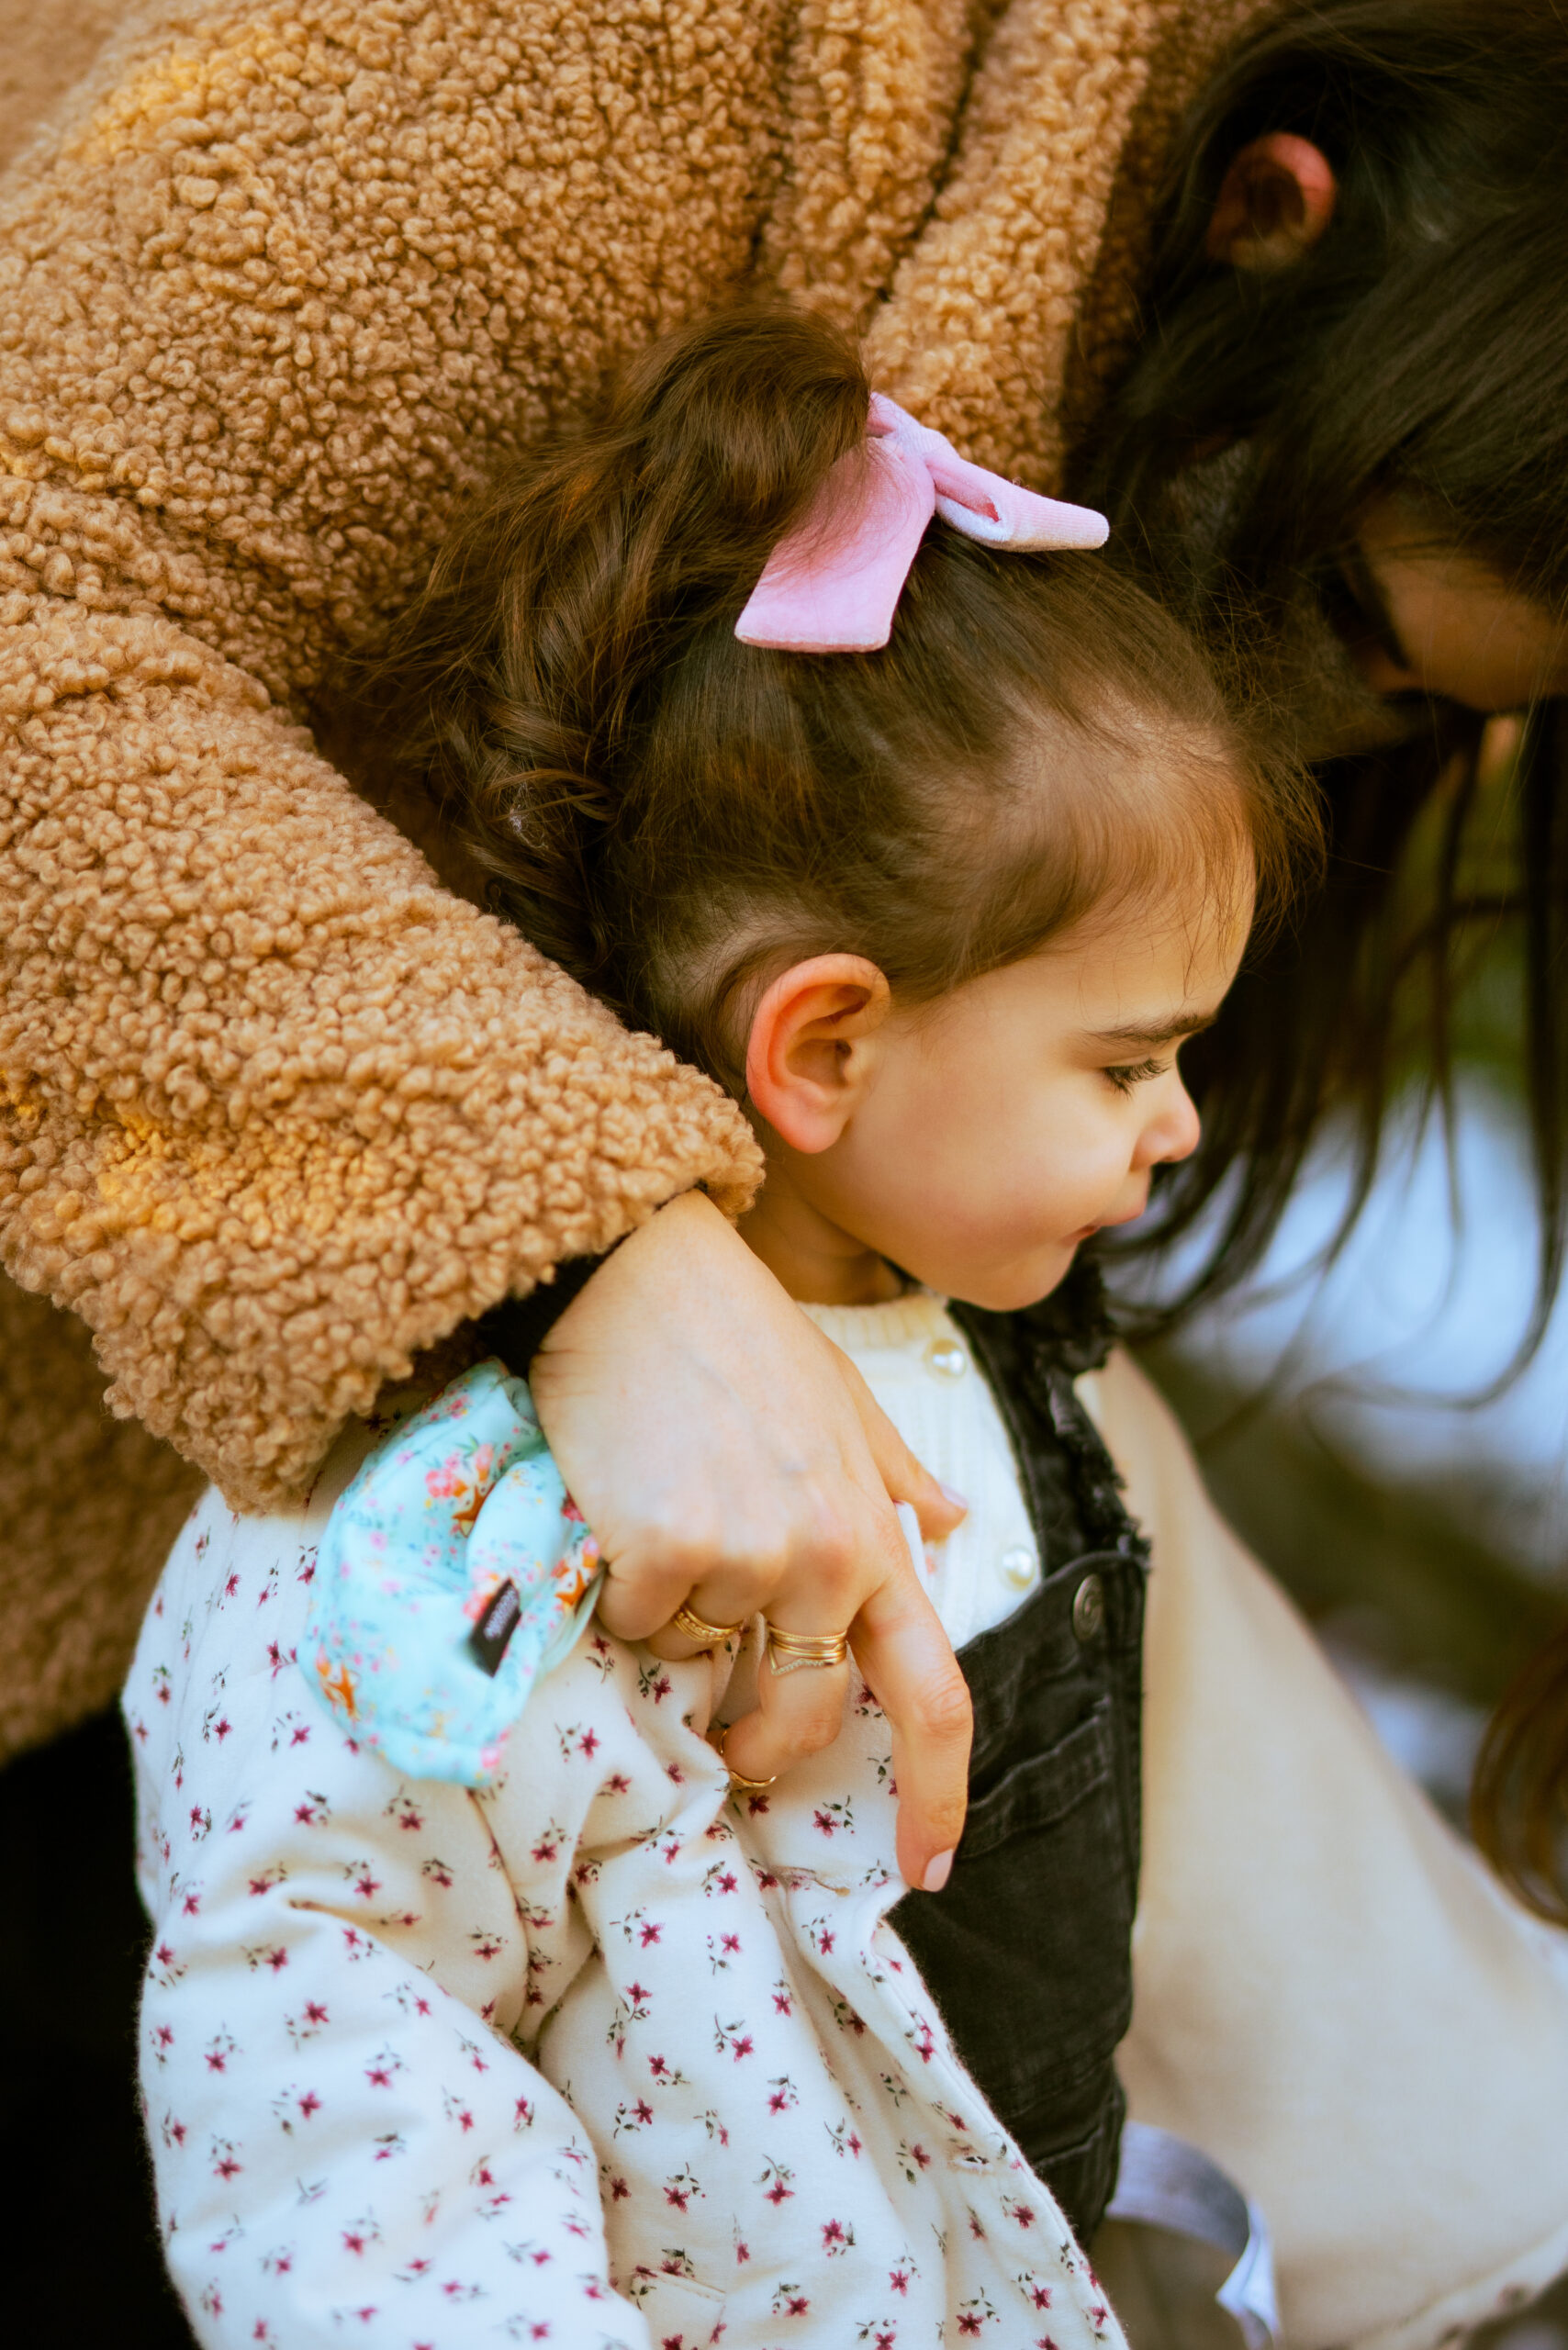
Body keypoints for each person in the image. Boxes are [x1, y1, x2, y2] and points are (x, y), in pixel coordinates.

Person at [126, 302, 1314, 2349]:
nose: (1180, 1125)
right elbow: (325, 2037)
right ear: (824, 1043)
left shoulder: (985, 1334)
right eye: (1125, 1061)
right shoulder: (446, 1519)